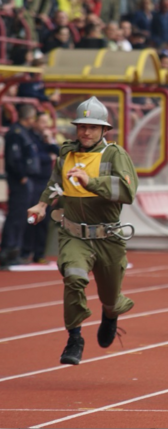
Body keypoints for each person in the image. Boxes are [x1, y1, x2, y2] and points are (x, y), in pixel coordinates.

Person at [27, 96, 139, 365]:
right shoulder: (66, 153)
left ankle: (110, 314)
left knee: (110, 297)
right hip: (73, 233)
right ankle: (74, 336)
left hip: (108, 237)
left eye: (92, 127)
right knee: (74, 276)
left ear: (103, 130)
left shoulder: (114, 154)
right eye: (81, 126)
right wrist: (42, 204)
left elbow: (127, 191)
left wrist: (92, 182)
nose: (85, 132)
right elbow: (56, 182)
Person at [0, 105, 39, 268]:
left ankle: (14, 250)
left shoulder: (25, 133)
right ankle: (7, 252)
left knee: (21, 215)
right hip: (19, 181)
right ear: (29, 118)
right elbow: (13, 158)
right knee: (16, 215)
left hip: (26, 179)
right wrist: (22, 176)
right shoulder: (16, 133)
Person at [21, 112, 60, 264]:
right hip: (33, 182)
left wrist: (50, 140)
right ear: (35, 122)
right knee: (31, 217)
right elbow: (35, 158)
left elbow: (59, 153)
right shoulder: (29, 137)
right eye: (42, 122)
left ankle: (39, 253)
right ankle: (25, 252)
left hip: (46, 182)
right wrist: (48, 156)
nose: (45, 126)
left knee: (44, 220)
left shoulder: (44, 140)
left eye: (47, 122)